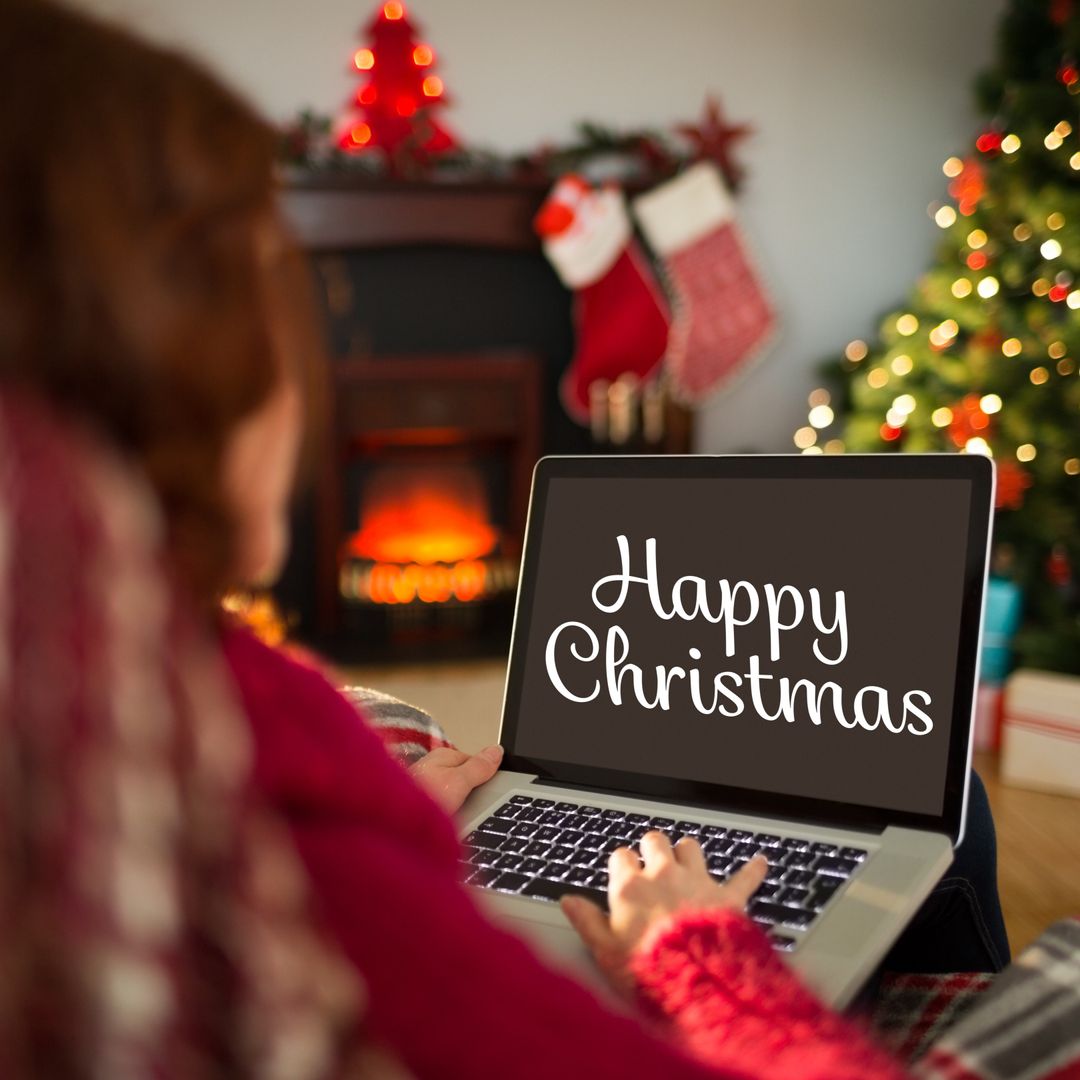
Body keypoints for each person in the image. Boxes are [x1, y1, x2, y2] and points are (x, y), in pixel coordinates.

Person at [0, 2, 991, 1076]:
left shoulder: (118, 711)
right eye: (271, 298)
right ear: (186, 365)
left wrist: (397, 826)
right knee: (953, 814)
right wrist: (699, 955)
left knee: (932, 818)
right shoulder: (284, 842)